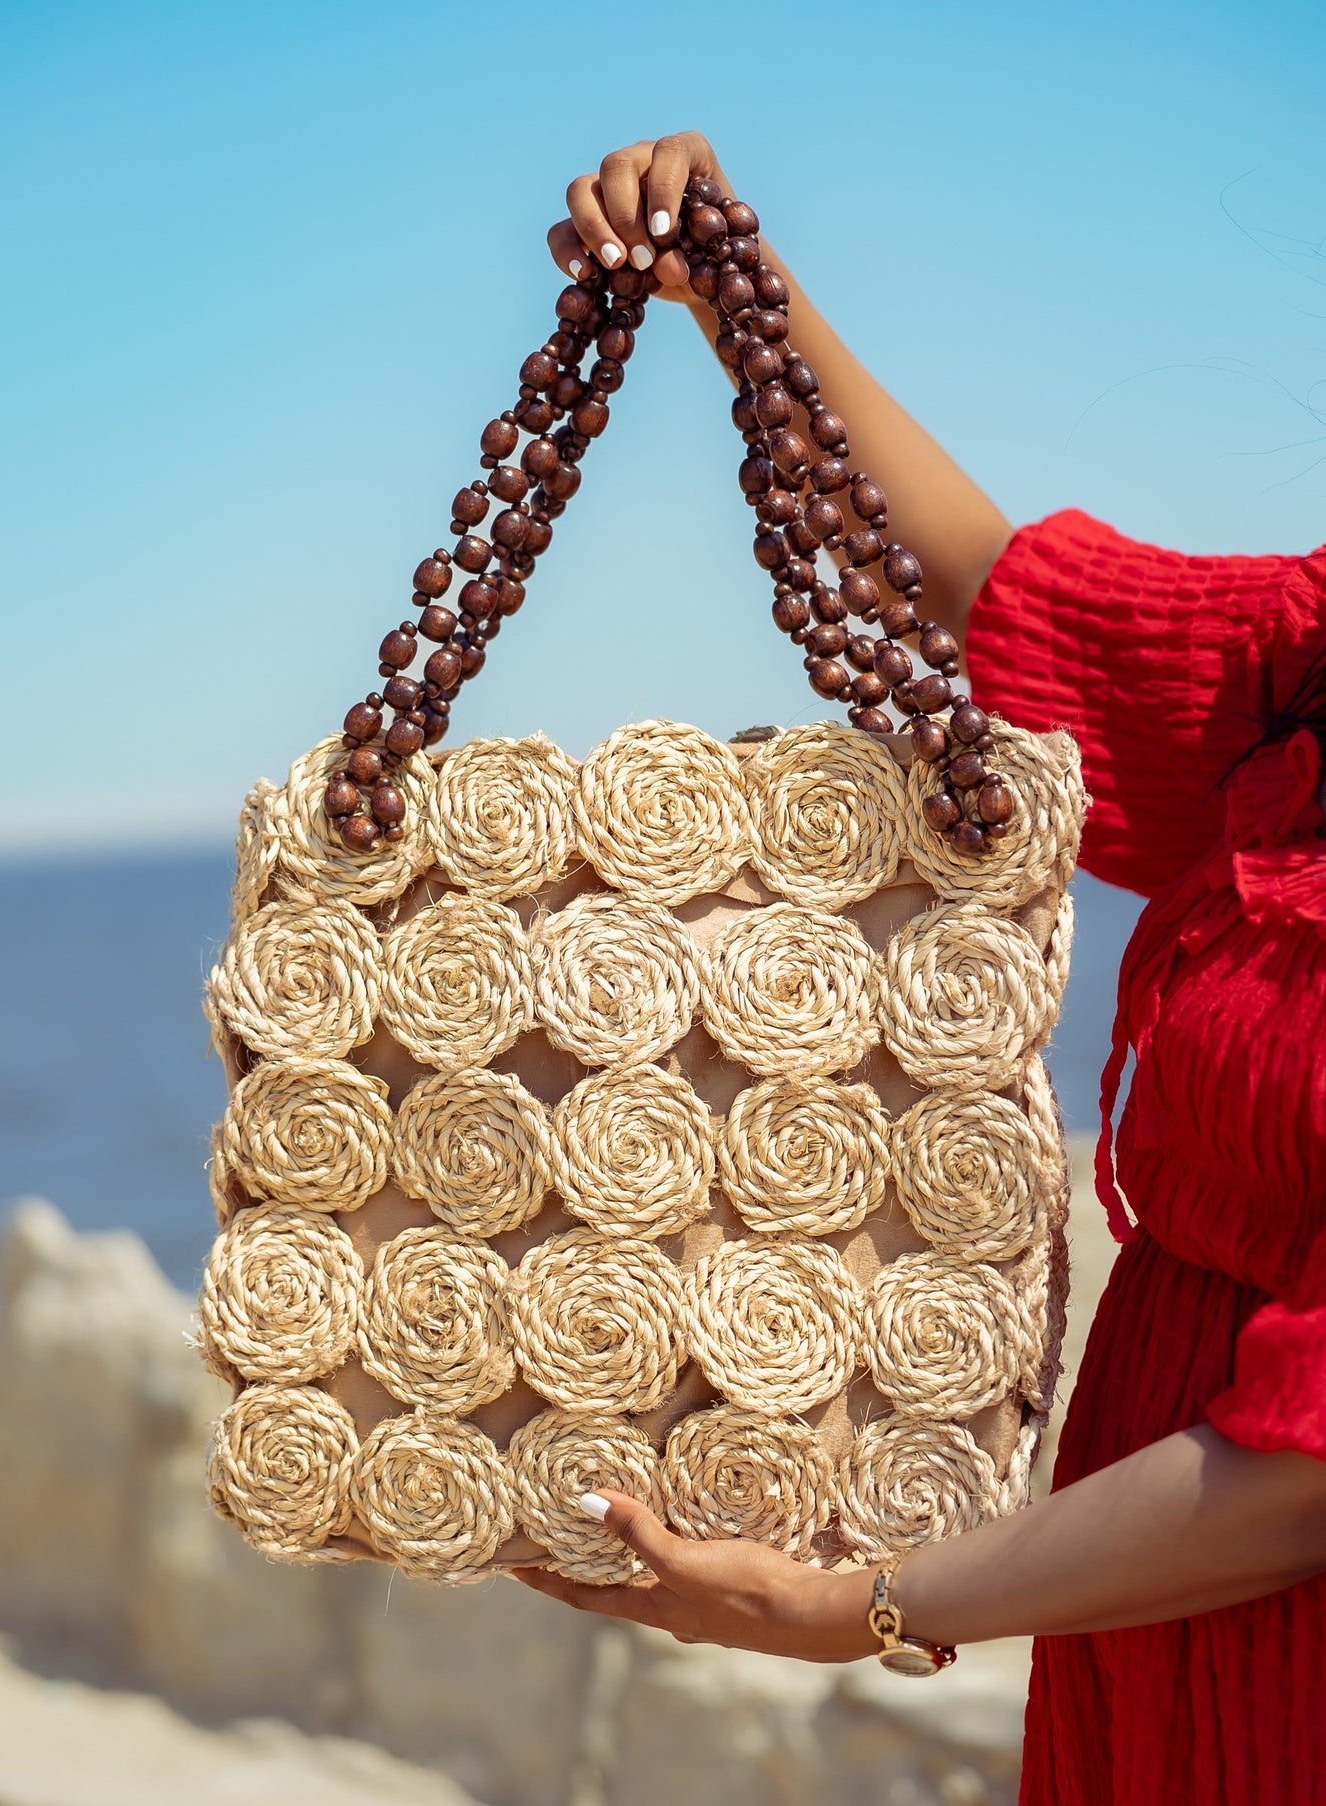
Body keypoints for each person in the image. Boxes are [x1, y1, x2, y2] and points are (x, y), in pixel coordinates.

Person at [510, 131, 1326, 1806]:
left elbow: (1302, 1480)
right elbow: (1000, 602)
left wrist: (848, 1603)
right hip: (1149, 1635)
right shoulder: (1306, 654)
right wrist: (739, 297)